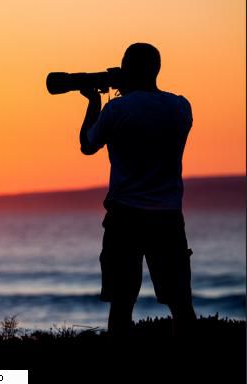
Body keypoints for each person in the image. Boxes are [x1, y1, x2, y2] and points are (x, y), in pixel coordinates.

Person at [79, 43, 197, 336]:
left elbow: (87, 144)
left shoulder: (116, 109)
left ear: (128, 69)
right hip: (168, 216)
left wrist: (94, 104)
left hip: (125, 217)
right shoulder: (181, 107)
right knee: (181, 301)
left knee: (121, 302)